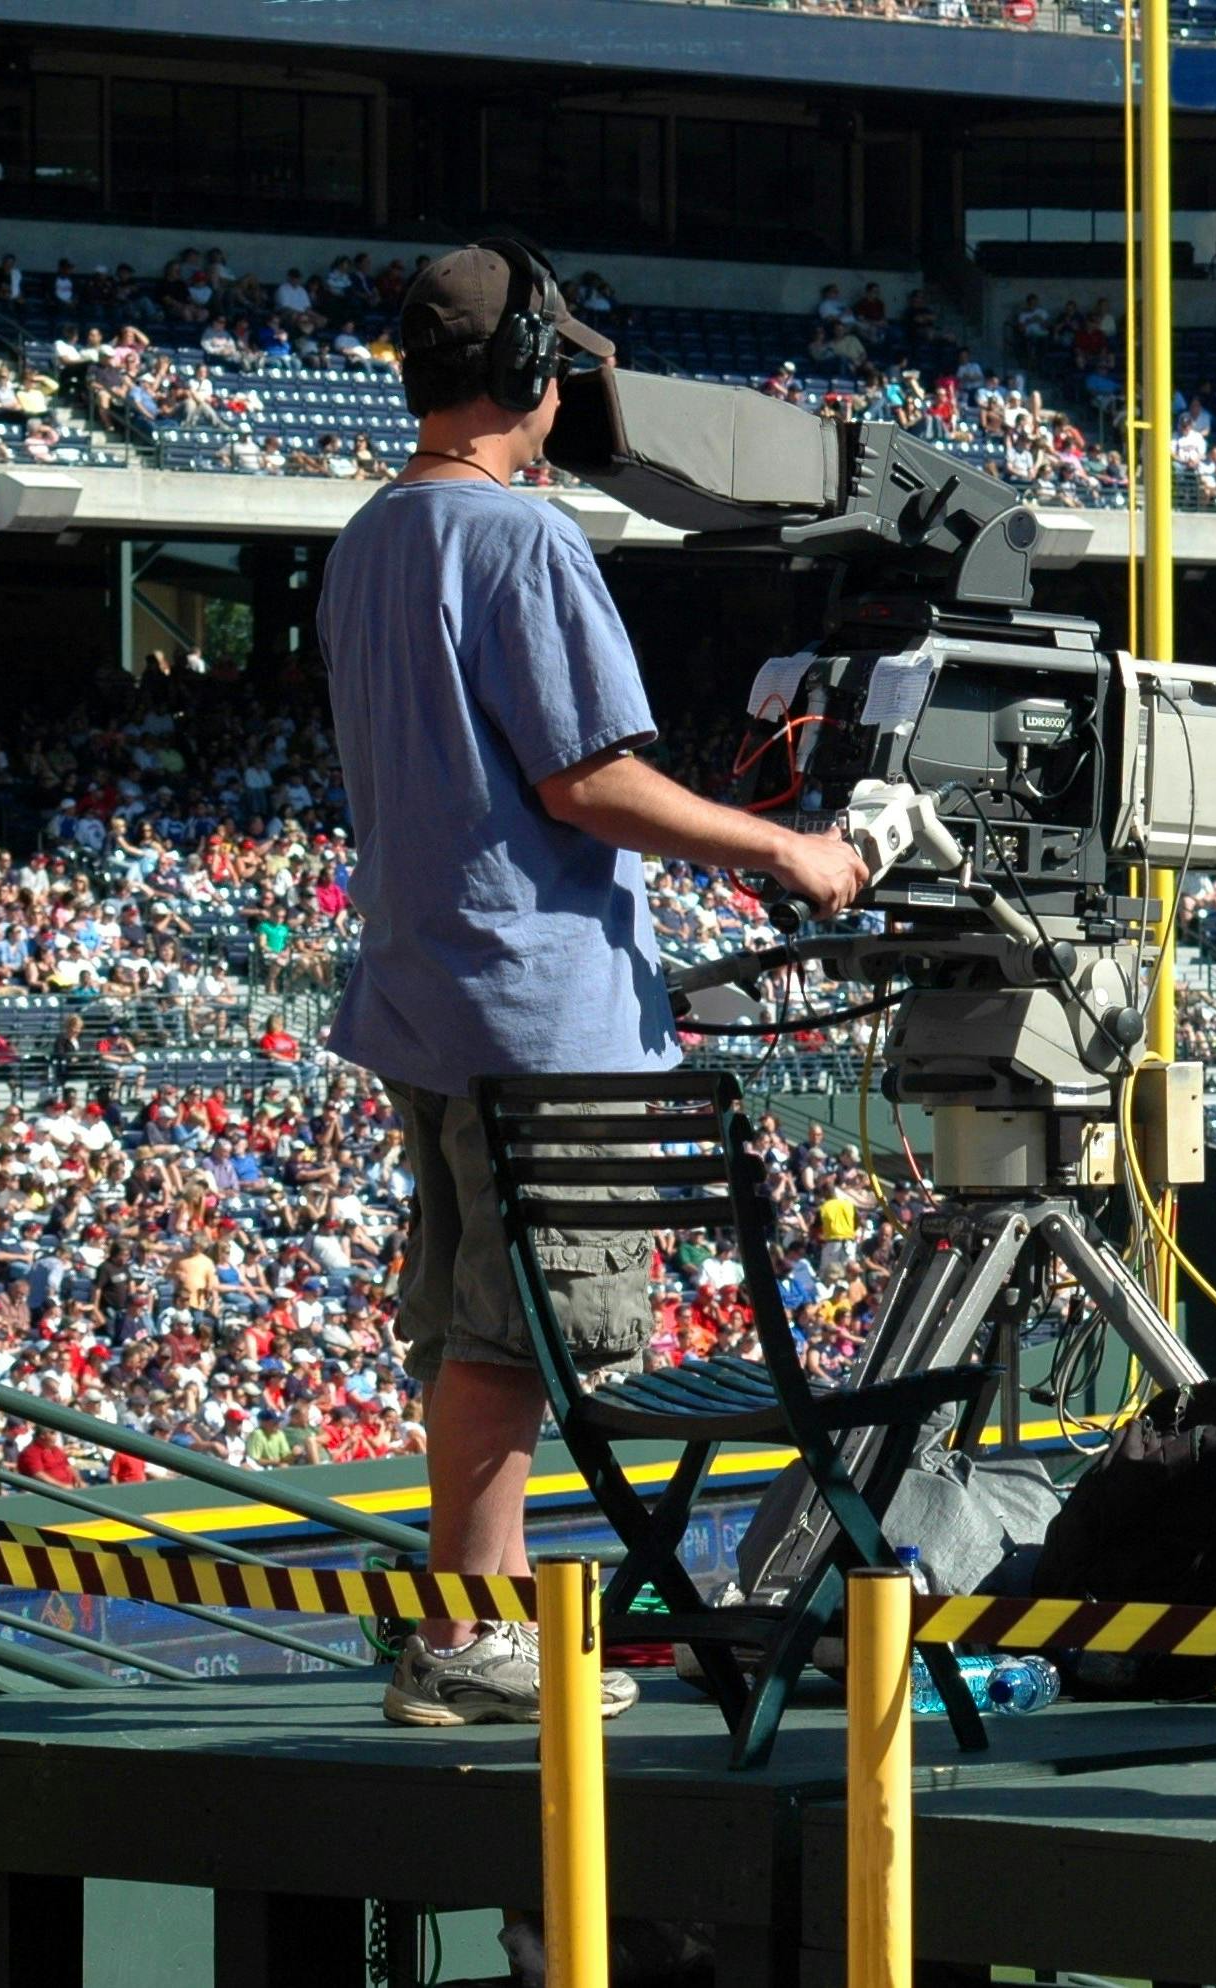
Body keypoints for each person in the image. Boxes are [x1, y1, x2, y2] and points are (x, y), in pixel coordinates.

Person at [319, 241, 867, 1732]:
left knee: (467, 1332)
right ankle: (473, 1635)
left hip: (425, 1000)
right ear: (526, 378)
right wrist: (784, 849)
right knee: (521, 1338)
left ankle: (458, 1628)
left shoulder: (372, 533)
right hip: (538, 1008)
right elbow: (588, 781)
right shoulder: (522, 542)